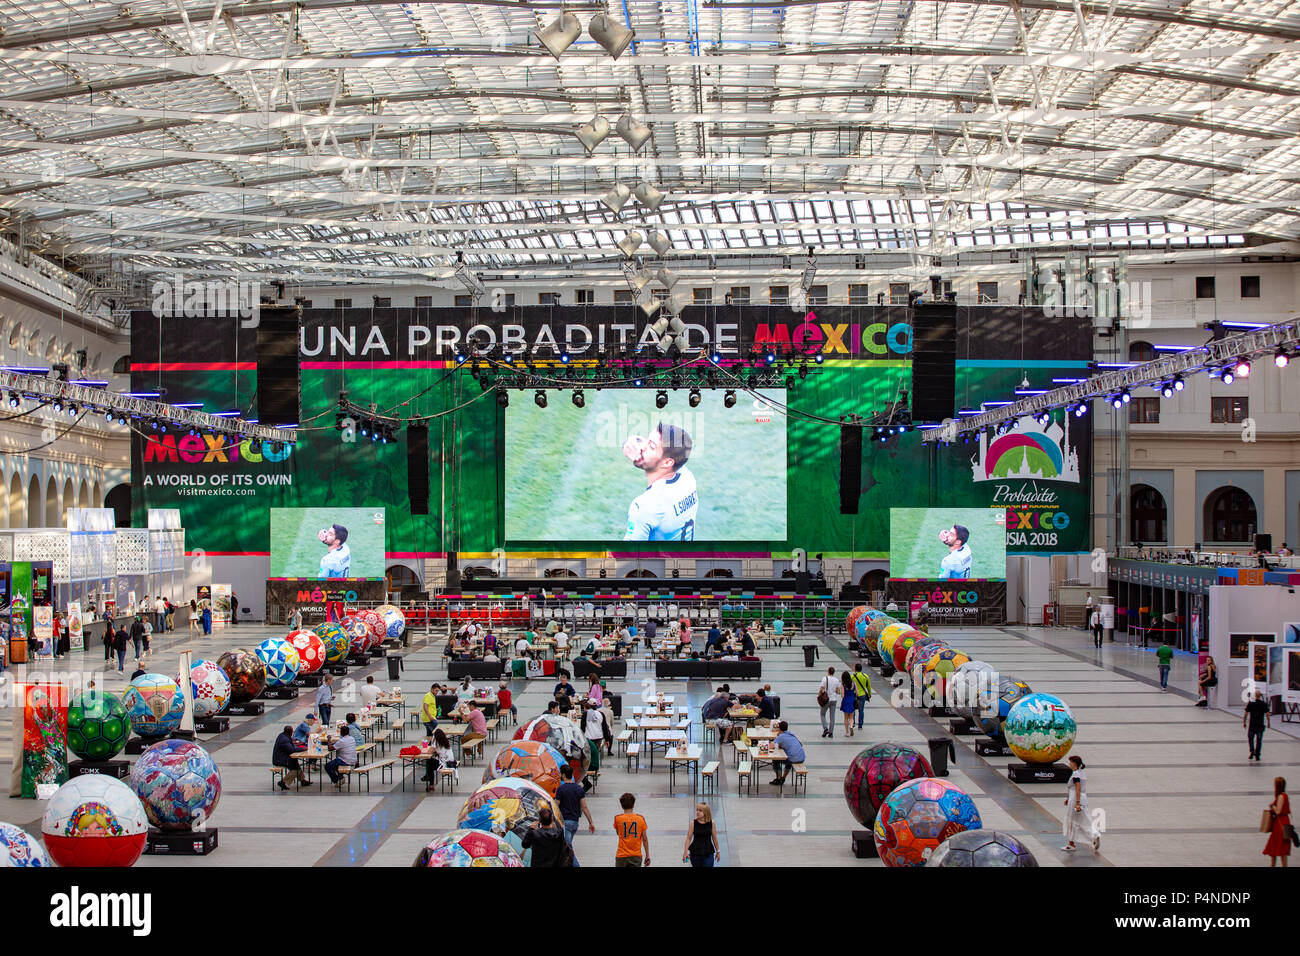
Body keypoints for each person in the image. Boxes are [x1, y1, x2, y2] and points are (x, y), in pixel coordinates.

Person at [621, 422, 698, 542]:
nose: (641, 447)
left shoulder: (644, 507)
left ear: (667, 462)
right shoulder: (688, 478)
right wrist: (631, 441)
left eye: (651, 446)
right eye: (646, 440)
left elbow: (627, 558)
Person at [555, 764, 594, 864]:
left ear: (563, 775)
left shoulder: (561, 789)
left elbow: (556, 806)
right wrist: (591, 822)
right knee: (565, 848)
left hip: (565, 823)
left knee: (567, 850)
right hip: (574, 823)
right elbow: (584, 807)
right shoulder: (579, 789)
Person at [1061, 755, 1099, 853]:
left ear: (1074, 763)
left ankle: (1093, 836)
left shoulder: (1076, 774)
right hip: (1080, 799)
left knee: (1075, 821)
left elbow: (1077, 788)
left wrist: (1076, 803)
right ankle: (1071, 843)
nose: (1069, 764)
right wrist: (1068, 798)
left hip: (1076, 800)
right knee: (1081, 819)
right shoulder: (1081, 773)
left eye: (1070, 762)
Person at [613, 793, 650, 867]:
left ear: (622, 806)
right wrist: (647, 855)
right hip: (636, 855)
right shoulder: (640, 819)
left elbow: (618, 832)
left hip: (621, 855)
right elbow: (644, 838)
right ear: (633, 805)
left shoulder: (617, 819)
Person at [273, 725, 311, 790]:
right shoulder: (284, 739)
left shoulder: (283, 735)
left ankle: (302, 780)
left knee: (295, 762)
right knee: (295, 769)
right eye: (292, 732)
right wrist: (303, 749)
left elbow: (291, 746)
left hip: (281, 757)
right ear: (290, 732)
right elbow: (291, 750)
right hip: (280, 760)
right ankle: (283, 782)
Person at [1263, 777, 1291, 867]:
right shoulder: (1285, 795)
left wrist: (1272, 806)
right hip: (1286, 822)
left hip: (1280, 824)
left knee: (1276, 845)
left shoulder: (1280, 796)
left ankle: (1273, 865)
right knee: (1284, 847)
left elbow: (1278, 811)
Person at [683, 803, 720, 867]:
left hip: (708, 852)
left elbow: (714, 838)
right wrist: (685, 852)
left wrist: (718, 851)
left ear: (706, 812)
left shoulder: (712, 823)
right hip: (695, 853)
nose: (697, 812)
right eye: (697, 810)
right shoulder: (693, 823)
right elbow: (688, 838)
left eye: (700, 810)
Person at [770, 721, 805, 786]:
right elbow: (800, 744)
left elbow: (771, 746)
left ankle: (779, 778)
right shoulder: (791, 734)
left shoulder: (781, 737)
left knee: (775, 760)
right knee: (790, 757)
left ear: (779, 729)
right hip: (802, 758)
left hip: (793, 759)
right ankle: (783, 778)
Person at [1245, 690, 1270, 761]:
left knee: (1250, 738)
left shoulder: (1251, 703)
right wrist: (1268, 722)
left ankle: (1252, 750)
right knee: (1259, 740)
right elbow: (1267, 714)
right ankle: (1257, 754)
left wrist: (1244, 722)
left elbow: (1246, 713)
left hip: (1252, 725)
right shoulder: (1263, 704)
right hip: (1260, 725)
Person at [583, 700, 605, 771]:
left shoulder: (586, 714)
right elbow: (604, 727)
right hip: (599, 737)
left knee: (588, 755)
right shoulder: (600, 714)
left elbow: (583, 727)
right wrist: (607, 738)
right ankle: (595, 768)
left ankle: (588, 768)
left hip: (588, 738)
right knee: (596, 753)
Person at [818, 666, 840, 738]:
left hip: (826, 699)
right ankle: (831, 732)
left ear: (828, 671)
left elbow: (821, 689)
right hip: (834, 699)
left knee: (822, 714)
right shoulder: (836, 680)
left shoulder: (825, 679)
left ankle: (825, 728)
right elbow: (838, 691)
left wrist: (819, 696)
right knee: (832, 716)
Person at [850, 663, 872, 729]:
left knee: (853, 710)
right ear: (861, 669)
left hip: (854, 695)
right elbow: (869, 686)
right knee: (861, 710)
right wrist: (869, 694)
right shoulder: (865, 676)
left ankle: (853, 723)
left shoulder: (852, 676)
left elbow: (850, 686)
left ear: (855, 669)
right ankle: (860, 725)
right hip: (862, 695)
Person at [839, 670, 857, 736]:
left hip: (846, 701)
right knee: (851, 717)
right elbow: (857, 693)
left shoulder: (843, 685)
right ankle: (851, 726)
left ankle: (847, 732)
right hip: (852, 700)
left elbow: (843, 696)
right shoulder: (853, 683)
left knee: (846, 718)